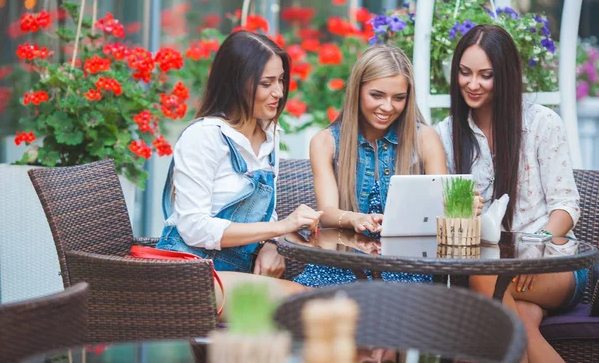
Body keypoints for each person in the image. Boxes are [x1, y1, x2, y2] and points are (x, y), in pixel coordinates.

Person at [435, 24, 585, 363]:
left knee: (482, 276)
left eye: (485, 75)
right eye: (464, 72)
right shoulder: (445, 134)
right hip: (490, 273)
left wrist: (535, 244)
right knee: (519, 325)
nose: (472, 84)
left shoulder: (542, 124)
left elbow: (566, 205)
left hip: (551, 265)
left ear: (504, 75)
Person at [156, 31, 322, 298]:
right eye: (266, 83)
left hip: (237, 273)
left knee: (325, 297)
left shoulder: (269, 134)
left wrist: (271, 244)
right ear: (236, 83)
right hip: (192, 272)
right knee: (309, 303)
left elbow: (267, 214)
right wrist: (280, 229)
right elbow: (194, 228)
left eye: (280, 80)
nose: (279, 92)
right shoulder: (205, 136)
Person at [293, 44, 449, 287]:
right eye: (377, 95)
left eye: (399, 98)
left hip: (407, 269)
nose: (388, 107)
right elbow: (327, 213)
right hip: (339, 268)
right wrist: (355, 219)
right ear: (357, 91)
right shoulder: (325, 142)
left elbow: (443, 205)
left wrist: (462, 205)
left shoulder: (425, 138)